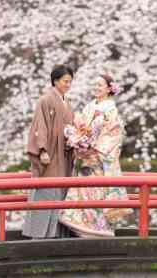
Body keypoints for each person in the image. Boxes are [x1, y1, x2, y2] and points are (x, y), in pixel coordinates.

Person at [59, 74, 132, 237]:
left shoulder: (111, 109)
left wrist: (94, 149)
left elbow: (113, 134)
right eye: (94, 84)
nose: (96, 87)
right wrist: (78, 141)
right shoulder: (89, 106)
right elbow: (81, 126)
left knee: (97, 192)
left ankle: (98, 229)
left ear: (108, 88)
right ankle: (79, 225)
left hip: (98, 158)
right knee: (83, 191)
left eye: (100, 85)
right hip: (85, 155)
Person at [22, 65, 74, 239]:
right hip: (50, 154)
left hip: (63, 154)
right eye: (65, 81)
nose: (68, 84)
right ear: (56, 81)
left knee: (59, 192)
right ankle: (37, 234)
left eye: (70, 81)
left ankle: (54, 234)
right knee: (46, 191)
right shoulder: (45, 100)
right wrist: (42, 149)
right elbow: (40, 126)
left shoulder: (66, 101)